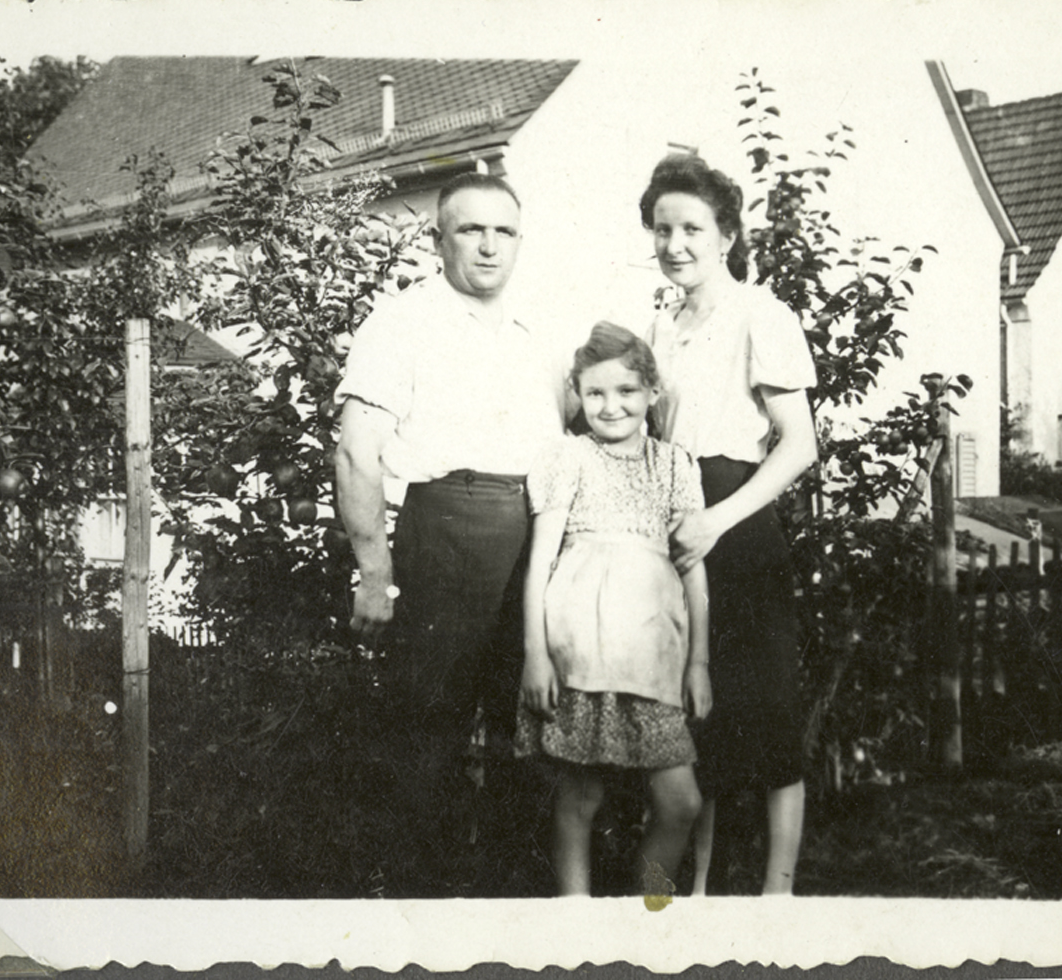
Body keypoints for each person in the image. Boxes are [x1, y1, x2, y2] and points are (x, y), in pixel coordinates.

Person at [334, 172, 567, 876]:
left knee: (529, 726)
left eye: (504, 231)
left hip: (536, 536)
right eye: (471, 230)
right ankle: (423, 904)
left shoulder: (543, 328)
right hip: (446, 530)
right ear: (439, 241)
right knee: (429, 731)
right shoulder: (402, 323)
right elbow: (357, 451)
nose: (489, 246)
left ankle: (512, 900)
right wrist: (375, 574)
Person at [638, 153, 819, 896]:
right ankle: (700, 893)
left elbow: (799, 444)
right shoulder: (660, 324)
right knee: (696, 720)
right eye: (662, 229)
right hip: (674, 526)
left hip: (737, 519)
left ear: (727, 235)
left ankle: (778, 895)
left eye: (692, 229)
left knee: (768, 714)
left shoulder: (760, 314)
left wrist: (718, 520)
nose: (675, 244)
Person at [514, 321, 711, 897]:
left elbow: (693, 568)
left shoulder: (673, 465)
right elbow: (540, 563)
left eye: (626, 391)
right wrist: (535, 656)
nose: (610, 406)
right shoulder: (568, 458)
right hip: (579, 654)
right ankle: (576, 919)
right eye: (595, 392)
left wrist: (699, 662)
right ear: (577, 395)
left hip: (652, 658)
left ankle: (646, 909)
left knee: (680, 803)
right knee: (580, 796)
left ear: (652, 392)